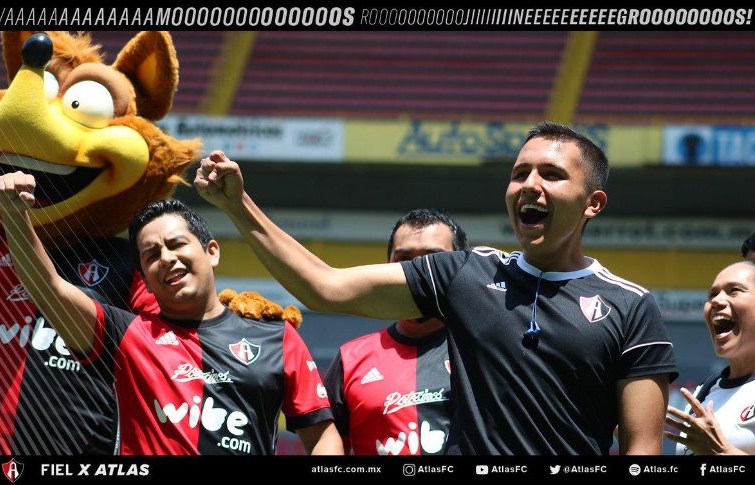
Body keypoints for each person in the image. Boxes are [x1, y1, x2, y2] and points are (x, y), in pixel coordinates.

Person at [194, 121, 678, 455]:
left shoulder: (630, 305)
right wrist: (239, 206)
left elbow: (641, 448)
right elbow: (326, 288)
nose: (530, 184)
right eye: (519, 174)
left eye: (551, 175)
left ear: (593, 203)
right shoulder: (465, 274)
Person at [0, 175, 342, 455]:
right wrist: (15, 216)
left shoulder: (275, 336)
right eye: (151, 254)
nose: (167, 259)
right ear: (143, 276)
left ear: (212, 252)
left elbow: (322, 435)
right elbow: (48, 286)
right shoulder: (124, 334)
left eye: (176, 244)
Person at [324, 209, 467, 455]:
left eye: (434, 259)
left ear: (462, 267)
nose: (418, 272)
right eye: (405, 260)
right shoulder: (351, 358)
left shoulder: (487, 350)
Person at [666, 260, 755, 455]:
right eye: (712, 294)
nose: (716, 301)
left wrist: (721, 451)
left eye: (734, 291)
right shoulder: (705, 391)